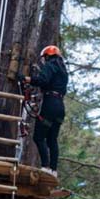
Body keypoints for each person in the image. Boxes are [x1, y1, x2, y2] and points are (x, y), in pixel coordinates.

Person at [26, 44, 68, 175]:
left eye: (44, 58)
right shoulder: (63, 71)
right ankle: (54, 170)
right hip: (60, 107)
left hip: (50, 104)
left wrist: (26, 79)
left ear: (48, 56)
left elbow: (43, 81)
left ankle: (45, 167)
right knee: (52, 139)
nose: (43, 61)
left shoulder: (50, 66)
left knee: (38, 137)